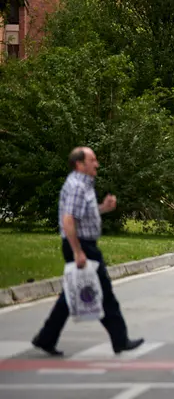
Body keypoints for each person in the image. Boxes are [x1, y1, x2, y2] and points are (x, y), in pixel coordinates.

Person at [31, 147, 144, 356]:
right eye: (92, 160)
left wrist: (103, 208)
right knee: (103, 293)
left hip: (83, 244)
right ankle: (120, 340)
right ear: (79, 164)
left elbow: (81, 214)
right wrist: (78, 251)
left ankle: (46, 337)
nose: (97, 164)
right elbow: (68, 220)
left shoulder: (83, 185)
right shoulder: (76, 186)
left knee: (72, 293)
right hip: (82, 245)